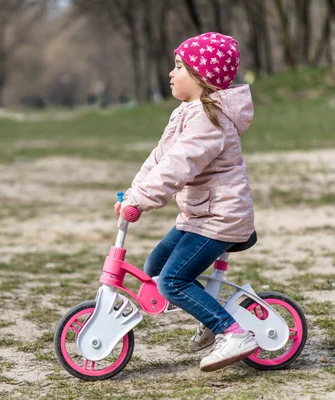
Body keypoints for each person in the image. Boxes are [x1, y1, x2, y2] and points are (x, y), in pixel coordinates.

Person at [114, 32, 257, 372]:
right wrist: (135, 192)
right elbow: (161, 158)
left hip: (220, 218)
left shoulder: (210, 119)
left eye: (179, 66)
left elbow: (181, 163)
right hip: (199, 214)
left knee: (172, 281)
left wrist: (146, 200)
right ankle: (211, 313)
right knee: (156, 269)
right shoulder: (187, 112)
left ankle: (233, 333)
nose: (171, 73)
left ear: (201, 77)